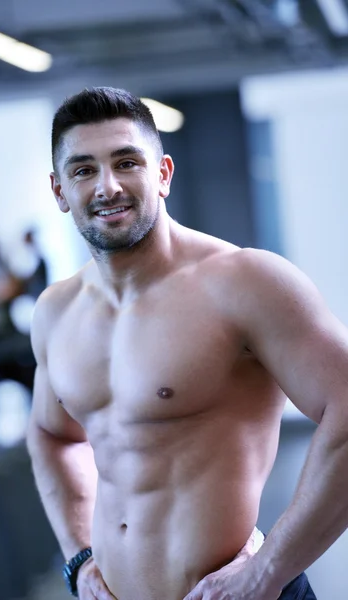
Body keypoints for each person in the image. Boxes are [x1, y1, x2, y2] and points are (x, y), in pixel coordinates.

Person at [26, 87, 348, 600]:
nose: (107, 186)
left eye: (126, 162)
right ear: (60, 191)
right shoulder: (55, 311)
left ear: (163, 174)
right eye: (84, 170)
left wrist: (267, 571)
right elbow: (52, 435)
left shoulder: (246, 282)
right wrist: (79, 558)